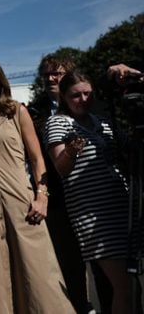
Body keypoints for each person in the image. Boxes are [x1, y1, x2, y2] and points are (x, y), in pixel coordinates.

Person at [0, 57, 74, 314]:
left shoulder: (16, 111)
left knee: (39, 276)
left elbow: (37, 158)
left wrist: (42, 196)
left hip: (22, 203)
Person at [45, 71, 135, 314]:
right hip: (92, 214)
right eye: (75, 95)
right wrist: (72, 151)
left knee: (133, 286)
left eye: (87, 94)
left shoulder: (103, 121)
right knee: (123, 287)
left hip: (122, 208)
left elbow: (130, 150)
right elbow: (61, 169)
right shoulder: (58, 123)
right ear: (64, 97)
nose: (83, 99)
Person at [27, 55, 100, 314]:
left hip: (92, 194)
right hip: (57, 196)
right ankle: (82, 307)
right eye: (46, 74)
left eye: (56, 73)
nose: (50, 79)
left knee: (103, 260)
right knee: (68, 260)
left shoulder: (90, 104)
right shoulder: (33, 111)